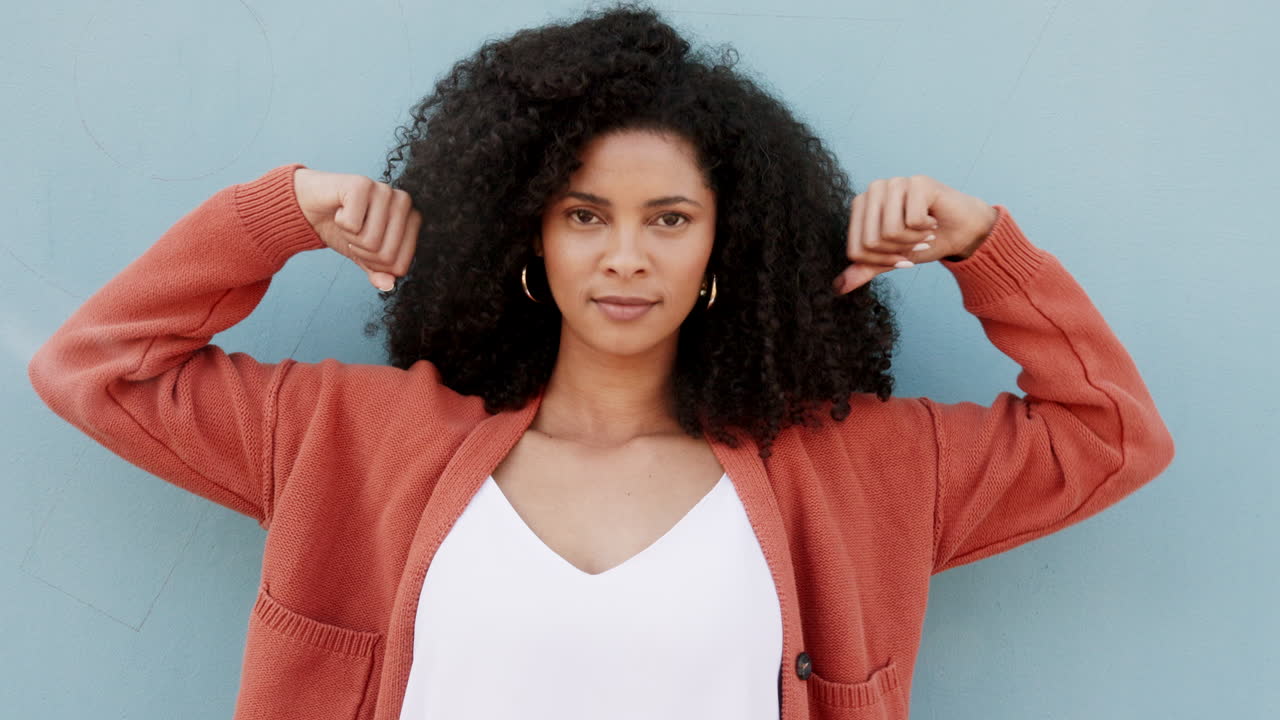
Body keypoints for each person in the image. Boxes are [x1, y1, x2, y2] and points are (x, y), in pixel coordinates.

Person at [26, 3, 1175, 719]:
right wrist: (280, 213)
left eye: (668, 218)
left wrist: (981, 246)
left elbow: (1109, 437)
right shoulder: (351, 440)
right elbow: (101, 369)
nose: (625, 256)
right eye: (584, 215)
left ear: (728, 240)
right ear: (525, 230)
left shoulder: (857, 470)